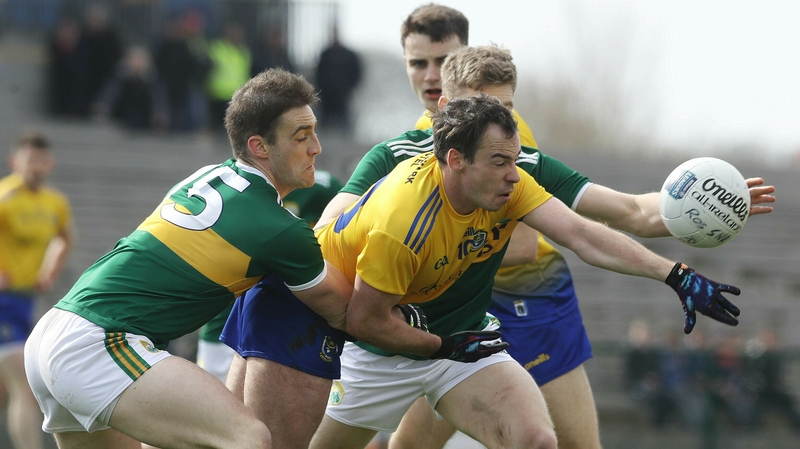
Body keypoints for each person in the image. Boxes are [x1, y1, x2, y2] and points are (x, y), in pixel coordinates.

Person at [316, 42, 774, 449]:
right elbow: (338, 247)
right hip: (389, 339)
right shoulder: (399, 197)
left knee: (541, 439)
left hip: (493, 323)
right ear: (450, 115)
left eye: (509, 109)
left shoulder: (513, 170)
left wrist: (685, 249)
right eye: (486, 108)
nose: (504, 126)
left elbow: (593, 227)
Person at [22, 69, 361, 449]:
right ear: (259, 146)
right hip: (100, 342)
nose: (316, 147)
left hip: (55, 330)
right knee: (249, 438)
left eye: (314, 132)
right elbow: (344, 309)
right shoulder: (278, 227)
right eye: (302, 137)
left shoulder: (210, 174)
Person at [196, 169, 344, 385]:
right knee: (211, 405)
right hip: (224, 316)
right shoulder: (230, 188)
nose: (314, 148)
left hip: (285, 319)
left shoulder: (322, 187)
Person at [1, 131, 73, 449]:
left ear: (50, 164)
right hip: (4, 300)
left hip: (29, 299)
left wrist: (50, 269)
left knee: (11, 389)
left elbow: (64, 237)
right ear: (14, 162)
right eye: (29, 160)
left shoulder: (54, 202)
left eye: (41, 161)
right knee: (25, 386)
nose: (35, 167)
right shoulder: (5, 197)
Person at [314, 26, 362, 131]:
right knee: (326, 125)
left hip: (343, 96)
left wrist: (348, 88)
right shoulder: (325, 55)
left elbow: (356, 73)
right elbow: (319, 74)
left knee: (344, 125)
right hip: (327, 97)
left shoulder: (348, 55)